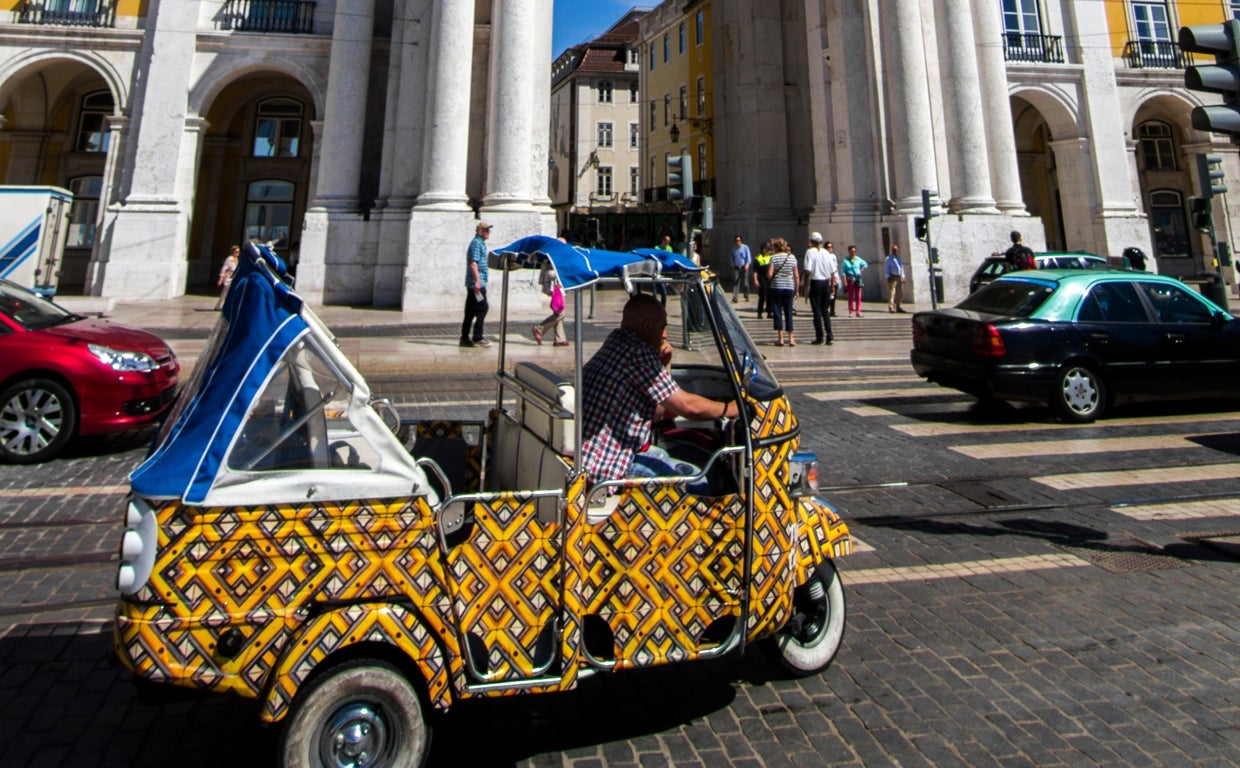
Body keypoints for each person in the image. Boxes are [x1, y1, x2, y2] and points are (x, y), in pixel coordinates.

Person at [580, 294, 740, 486]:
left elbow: (657, 413)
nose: (665, 335)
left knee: (664, 456)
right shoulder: (638, 352)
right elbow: (688, 407)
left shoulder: (618, 341)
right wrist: (731, 408)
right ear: (647, 326)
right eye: (662, 326)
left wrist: (665, 364)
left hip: (600, 454)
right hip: (607, 466)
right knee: (698, 481)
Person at [460, 221, 492, 348]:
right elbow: (473, 263)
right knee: (483, 307)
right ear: (480, 232)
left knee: (470, 311)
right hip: (477, 284)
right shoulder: (476, 244)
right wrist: (477, 281)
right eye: (486, 230)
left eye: (489, 230)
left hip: (476, 283)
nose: (488, 232)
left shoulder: (480, 243)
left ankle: (464, 338)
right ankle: (477, 337)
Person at [802, 232, 838, 345]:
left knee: (817, 312)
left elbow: (808, 270)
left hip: (816, 282)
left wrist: (805, 282)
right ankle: (830, 336)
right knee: (825, 311)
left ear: (811, 242)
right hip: (826, 283)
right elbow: (832, 271)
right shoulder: (827, 253)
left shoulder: (810, 252)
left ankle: (819, 337)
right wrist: (832, 286)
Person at [767, 238, 799, 346]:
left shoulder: (774, 257)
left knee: (777, 311)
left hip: (776, 287)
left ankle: (780, 338)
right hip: (789, 287)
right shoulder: (792, 257)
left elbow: (770, 274)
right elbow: (796, 275)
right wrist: (797, 289)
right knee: (788, 311)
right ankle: (791, 338)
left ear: (776, 247)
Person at [532, 260, 569, 347]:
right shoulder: (556, 253)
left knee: (558, 311)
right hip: (556, 282)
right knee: (561, 313)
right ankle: (539, 328)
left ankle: (560, 338)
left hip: (556, 282)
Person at [841, 245, 868, 317]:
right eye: (852, 251)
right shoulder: (845, 260)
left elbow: (865, 264)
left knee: (858, 296)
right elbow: (843, 272)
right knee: (850, 296)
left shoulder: (858, 259)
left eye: (854, 251)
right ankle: (851, 311)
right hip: (850, 279)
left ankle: (858, 311)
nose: (853, 253)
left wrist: (861, 270)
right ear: (849, 252)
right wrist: (845, 282)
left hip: (858, 279)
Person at [214, 245, 240, 310]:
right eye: (236, 252)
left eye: (238, 252)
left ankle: (219, 305)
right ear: (233, 252)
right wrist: (221, 278)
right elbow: (224, 268)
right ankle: (220, 305)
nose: (238, 253)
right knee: (226, 292)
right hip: (228, 277)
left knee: (227, 292)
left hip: (234, 277)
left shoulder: (237, 259)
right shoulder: (229, 259)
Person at [885, 244, 907, 313]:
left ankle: (898, 306)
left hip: (899, 277)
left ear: (898, 250)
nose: (895, 251)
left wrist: (903, 276)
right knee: (892, 293)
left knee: (900, 293)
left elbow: (901, 267)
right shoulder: (889, 258)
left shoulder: (899, 258)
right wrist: (888, 276)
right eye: (894, 250)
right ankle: (891, 307)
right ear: (892, 250)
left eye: (896, 250)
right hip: (892, 277)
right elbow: (887, 268)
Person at [754, 240, 773, 318]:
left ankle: (769, 312)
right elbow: (755, 271)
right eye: (767, 249)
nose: (768, 250)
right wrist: (755, 280)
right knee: (762, 296)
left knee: (770, 295)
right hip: (762, 279)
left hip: (770, 279)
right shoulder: (758, 258)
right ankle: (760, 312)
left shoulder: (770, 257)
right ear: (763, 249)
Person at [731, 235, 752, 303]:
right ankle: (735, 297)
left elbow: (748, 257)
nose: (737, 242)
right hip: (737, 267)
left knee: (745, 282)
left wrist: (747, 264)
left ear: (741, 241)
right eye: (736, 241)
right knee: (736, 282)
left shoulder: (745, 247)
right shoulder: (734, 248)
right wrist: (732, 264)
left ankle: (746, 295)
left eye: (739, 240)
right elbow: (732, 257)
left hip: (744, 266)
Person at [824, 241, 840, 317]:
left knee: (833, 295)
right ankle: (825, 310)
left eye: (831, 247)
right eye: (828, 247)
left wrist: (836, 277)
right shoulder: (824, 256)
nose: (830, 248)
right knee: (827, 295)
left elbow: (835, 267)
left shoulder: (833, 256)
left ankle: (832, 311)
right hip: (827, 277)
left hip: (834, 277)